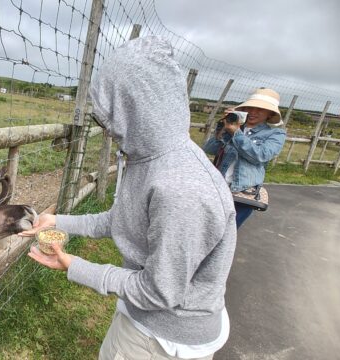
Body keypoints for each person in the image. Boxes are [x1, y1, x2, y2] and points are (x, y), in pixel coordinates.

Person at [20, 36, 236, 360]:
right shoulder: (150, 157)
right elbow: (122, 219)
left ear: (132, 106)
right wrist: (58, 221)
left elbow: (158, 291)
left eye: (112, 110)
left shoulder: (180, 190)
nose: (109, 126)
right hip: (149, 322)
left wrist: (75, 265)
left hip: (162, 339)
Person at [203, 88, 286, 228]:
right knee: (204, 228)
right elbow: (210, 149)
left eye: (260, 109)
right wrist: (222, 128)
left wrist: (237, 134)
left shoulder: (276, 134)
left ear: (270, 114)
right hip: (217, 186)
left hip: (243, 193)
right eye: (250, 107)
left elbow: (261, 155)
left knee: (227, 233)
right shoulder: (234, 128)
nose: (253, 112)